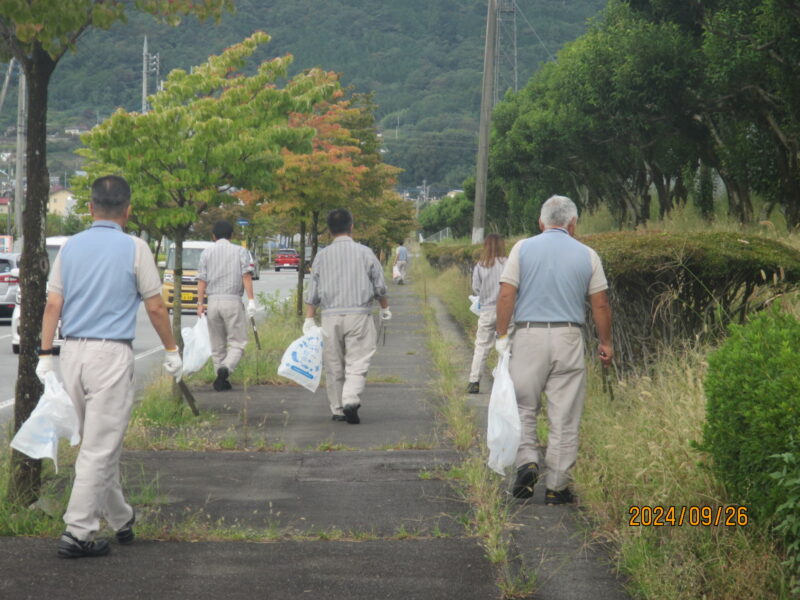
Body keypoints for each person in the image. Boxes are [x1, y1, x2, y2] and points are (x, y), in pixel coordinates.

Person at [36, 175, 183, 558]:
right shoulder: (136, 248)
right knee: (100, 448)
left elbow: (53, 304)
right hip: (111, 354)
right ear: (128, 210)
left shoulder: (70, 248)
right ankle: (78, 532)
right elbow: (154, 306)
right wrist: (171, 349)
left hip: (72, 355)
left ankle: (121, 518)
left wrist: (44, 355)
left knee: (98, 443)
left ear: (90, 207)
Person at [495, 195, 612, 505]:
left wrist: (501, 335)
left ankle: (528, 461)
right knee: (564, 414)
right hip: (569, 336)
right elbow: (599, 302)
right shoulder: (588, 255)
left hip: (529, 335)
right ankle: (557, 486)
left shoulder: (522, 248)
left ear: (541, 222)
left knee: (523, 406)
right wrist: (605, 342)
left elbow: (507, 293)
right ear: (572, 225)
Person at [304, 208, 390, 424]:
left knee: (333, 364)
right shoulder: (365, 252)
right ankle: (351, 398)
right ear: (351, 227)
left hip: (330, 317)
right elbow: (379, 285)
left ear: (329, 231)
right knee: (358, 360)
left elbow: (312, 291)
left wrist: (309, 318)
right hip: (359, 314)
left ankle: (338, 409)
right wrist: (384, 308)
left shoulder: (321, 256)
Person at [196, 221, 257, 391]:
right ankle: (226, 368)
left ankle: (220, 380)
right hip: (232, 300)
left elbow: (202, 280)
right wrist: (251, 300)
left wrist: (200, 304)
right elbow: (246, 276)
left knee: (217, 345)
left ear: (213, 236)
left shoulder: (206, 253)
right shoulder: (240, 251)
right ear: (232, 235)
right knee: (238, 342)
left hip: (213, 301)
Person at [467, 234, 507, 394]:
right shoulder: (509, 263)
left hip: (487, 310)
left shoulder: (480, 265)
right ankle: (504, 380)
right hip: (507, 311)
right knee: (507, 347)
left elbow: (476, 288)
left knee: (482, 346)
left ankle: (474, 381)